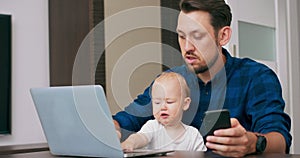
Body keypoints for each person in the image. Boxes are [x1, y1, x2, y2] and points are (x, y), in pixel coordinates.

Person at [113, 0, 292, 157]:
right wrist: (112, 127)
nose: (187, 47)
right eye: (182, 36)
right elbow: (128, 118)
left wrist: (253, 143)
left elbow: (280, 140)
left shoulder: (256, 76)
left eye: (197, 36)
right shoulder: (170, 80)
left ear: (223, 36)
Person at [121, 72, 207, 152]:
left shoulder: (193, 135)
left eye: (169, 102)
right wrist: (130, 142)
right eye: (157, 103)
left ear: (185, 104)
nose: (163, 107)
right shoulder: (153, 127)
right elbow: (140, 137)